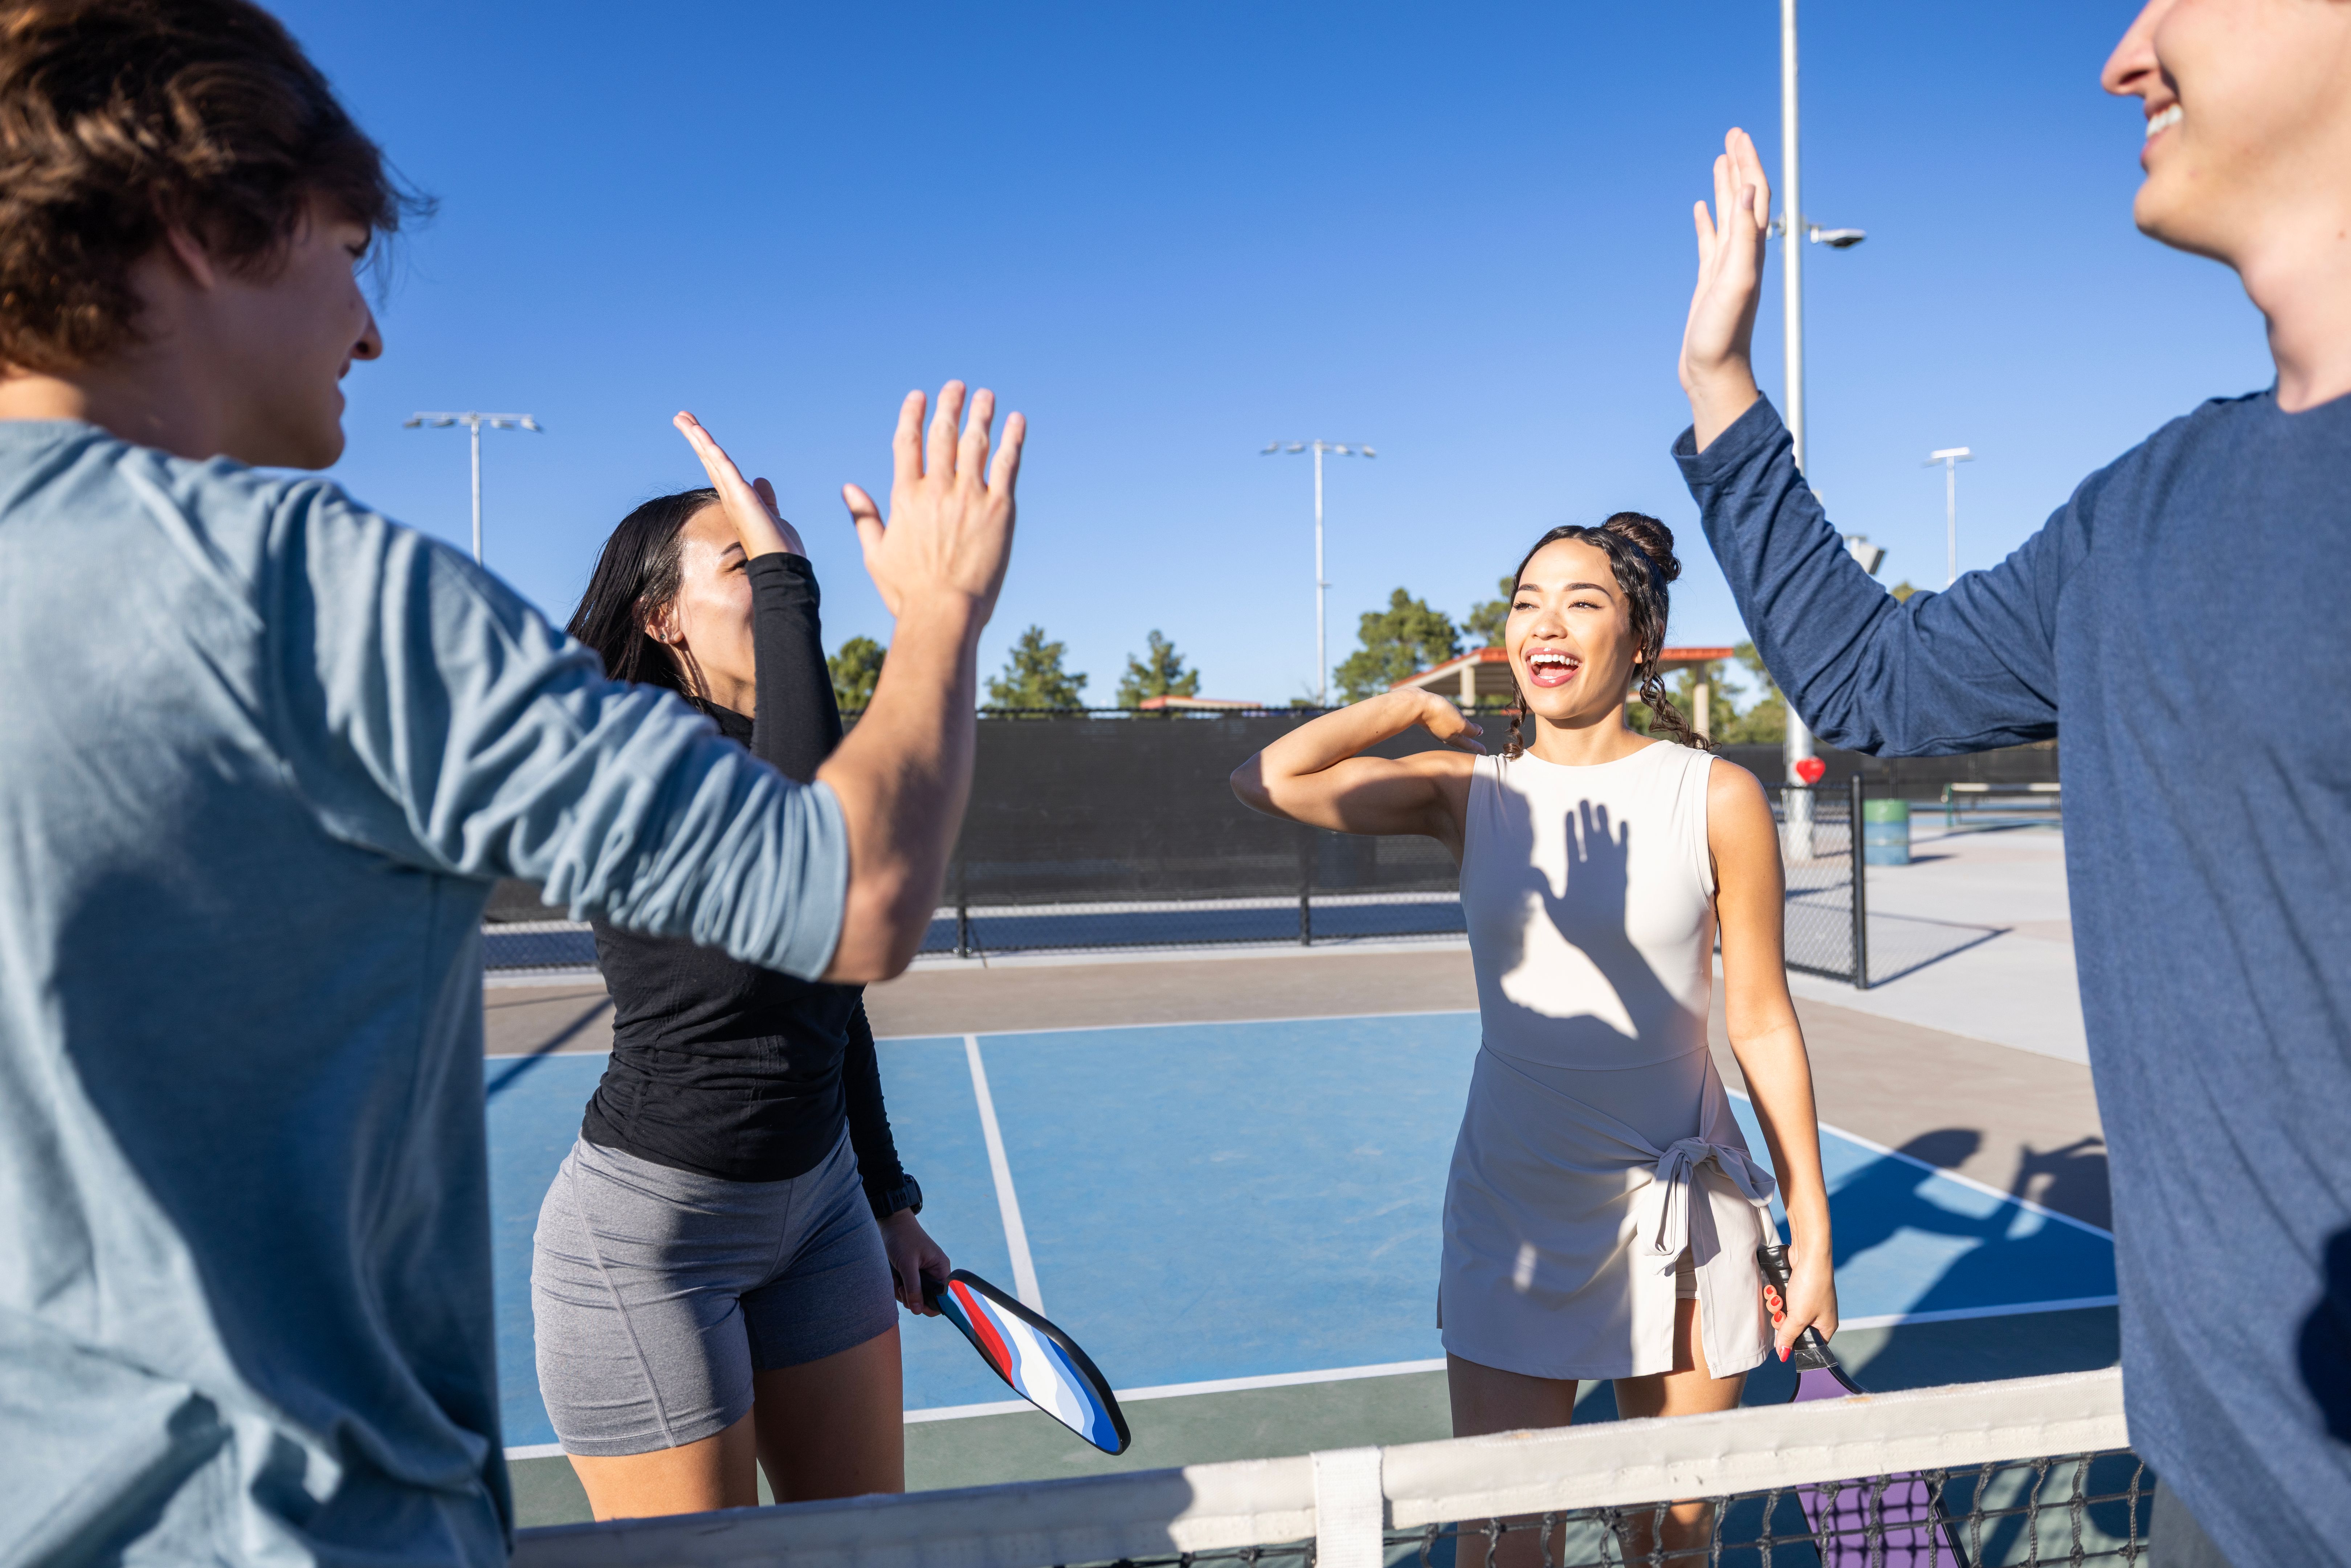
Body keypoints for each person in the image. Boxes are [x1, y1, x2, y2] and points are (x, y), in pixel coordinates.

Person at [0, 1, 1021, 1561]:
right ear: (202, 225)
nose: (372, 327)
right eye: (351, 249)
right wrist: (941, 609)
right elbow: (858, 894)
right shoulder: (325, 599)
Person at [1672, 2, 2351, 1560]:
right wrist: (1722, 389)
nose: (2126, 49)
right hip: (2217, 1488)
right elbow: (1873, 682)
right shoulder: (2146, 512)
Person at [1232, 515, 1836, 1561]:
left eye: (1583, 602)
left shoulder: (1719, 796)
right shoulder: (1468, 792)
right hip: (1515, 1213)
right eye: (1527, 602)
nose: (1546, 625)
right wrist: (1408, 708)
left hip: (1684, 1212)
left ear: (1640, 642)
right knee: (1507, 1542)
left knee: (1673, 1540)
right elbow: (1268, 779)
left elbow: (1763, 1019)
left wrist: (1812, 1227)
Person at [531, 414, 950, 1520]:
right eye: (744, 561)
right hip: (654, 1245)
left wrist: (886, 1199)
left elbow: (834, 1001)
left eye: (778, 556)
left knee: (863, 1548)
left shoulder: (795, 759)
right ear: (660, 617)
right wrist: (797, 584)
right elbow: (805, 899)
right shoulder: (628, 753)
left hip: (819, 1211)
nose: (773, 575)